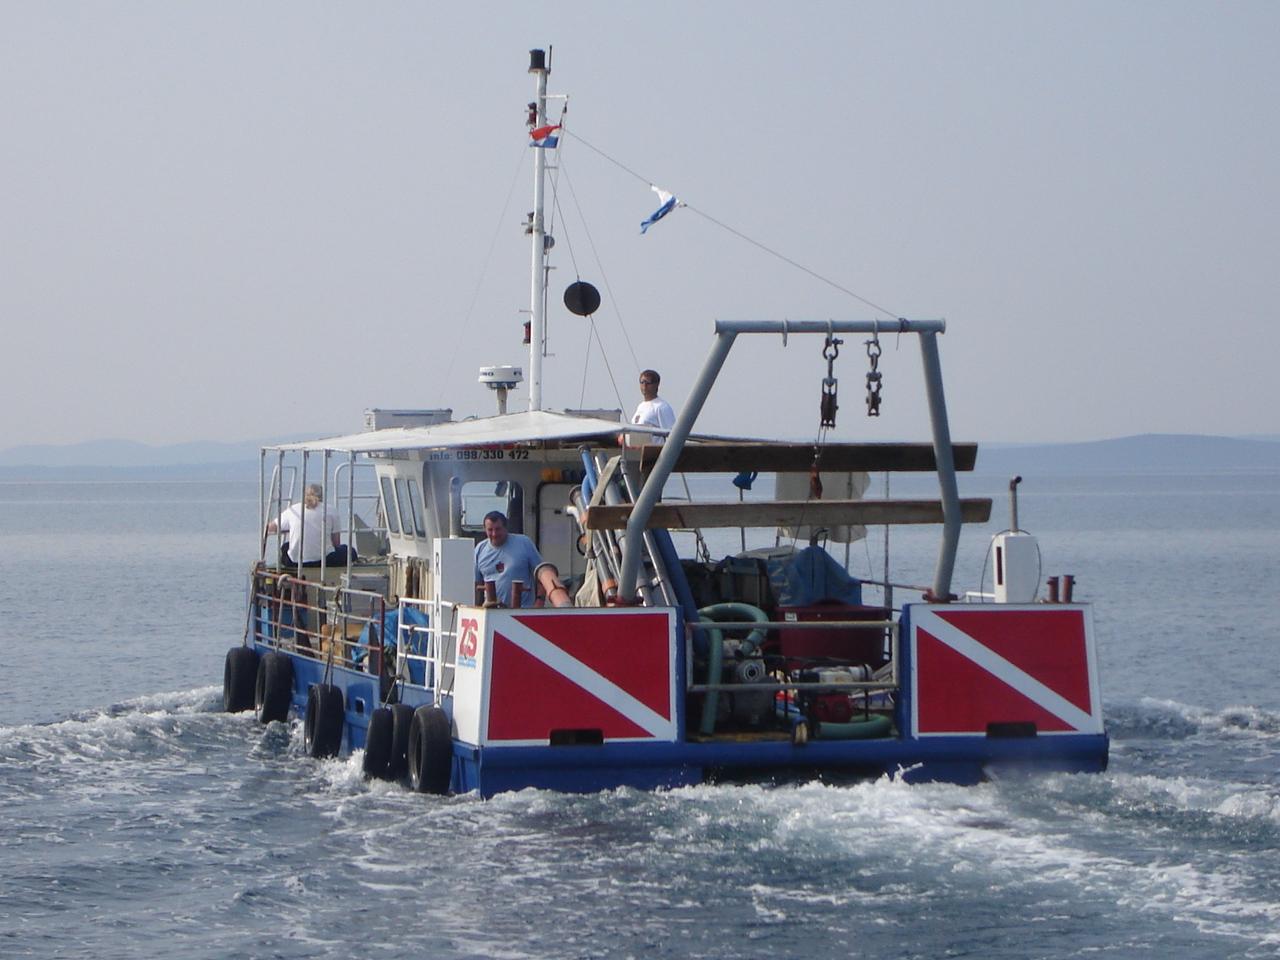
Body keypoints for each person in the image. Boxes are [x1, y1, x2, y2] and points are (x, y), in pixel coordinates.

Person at [474, 511, 544, 608]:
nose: (494, 534)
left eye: (498, 529)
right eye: (490, 530)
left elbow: (543, 574)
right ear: (485, 530)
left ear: (506, 528)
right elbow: (476, 584)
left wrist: (540, 601)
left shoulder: (524, 543)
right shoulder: (479, 549)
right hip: (492, 613)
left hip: (522, 612)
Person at [266, 483, 344, 568]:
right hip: (324, 561)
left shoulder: (293, 509)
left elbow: (271, 527)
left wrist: (289, 528)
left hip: (295, 562)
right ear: (322, 496)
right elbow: (336, 543)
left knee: (285, 547)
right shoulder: (331, 510)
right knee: (350, 551)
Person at [624, 369, 676, 446]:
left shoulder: (661, 406)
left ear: (656, 385)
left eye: (648, 383)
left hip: (654, 454)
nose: (644, 386)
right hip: (637, 452)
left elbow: (672, 434)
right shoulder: (641, 406)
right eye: (642, 382)